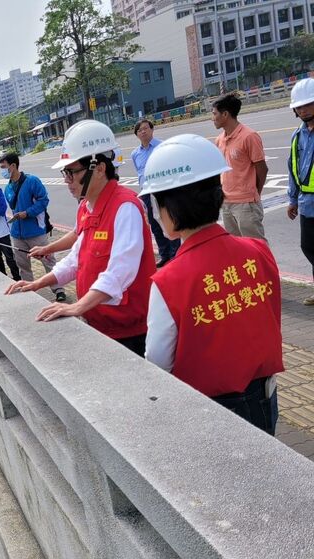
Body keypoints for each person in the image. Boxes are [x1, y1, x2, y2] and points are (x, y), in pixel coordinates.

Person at [142, 134, 282, 434]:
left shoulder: (167, 281)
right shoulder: (258, 251)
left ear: (170, 207)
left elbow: (157, 360)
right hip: (264, 397)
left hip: (208, 408)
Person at [5, 119, 156, 356]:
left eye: (71, 172)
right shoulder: (86, 207)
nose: (67, 181)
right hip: (98, 321)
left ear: (99, 168)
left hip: (128, 331)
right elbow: (76, 260)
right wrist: (38, 283)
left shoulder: (125, 207)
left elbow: (121, 270)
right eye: (65, 173)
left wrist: (77, 306)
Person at [0, 152, 66, 302]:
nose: (2, 170)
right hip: (17, 234)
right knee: (23, 265)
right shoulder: (8, 188)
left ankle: (58, 289)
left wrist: (27, 213)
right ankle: (30, 291)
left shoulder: (32, 181)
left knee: (48, 260)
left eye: (4, 167)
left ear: (13, 166)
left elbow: (43, 200)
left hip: (35, 231)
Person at [212, 93, 268, 241]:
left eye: (214, 114)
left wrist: (255, 193)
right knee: (237, 248)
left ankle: (265, 265)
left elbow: (262, 168)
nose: (212, 118)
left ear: (225, 114)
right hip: (227, 203)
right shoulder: (219, 140)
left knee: (256, 246)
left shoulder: (249, 136)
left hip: (246, 203)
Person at [131, 119, 179, 267]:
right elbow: (139, 172)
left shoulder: (162, 146)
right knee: (155, 224)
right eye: (140, 130)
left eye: (146, 128)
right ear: (137, 134)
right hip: (146, 193)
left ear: (152, 130)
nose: (143, 132)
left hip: (163, 190)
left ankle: (175, 255)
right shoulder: (135, 154)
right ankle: (164, 254)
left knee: (169, 222)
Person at [287, 78, 314, 305]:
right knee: (309, 246)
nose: (303, 109)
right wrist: (292, 199)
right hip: (307, 202)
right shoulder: (298, 136)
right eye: (300, 106)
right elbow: (293, 167)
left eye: (308, 104)